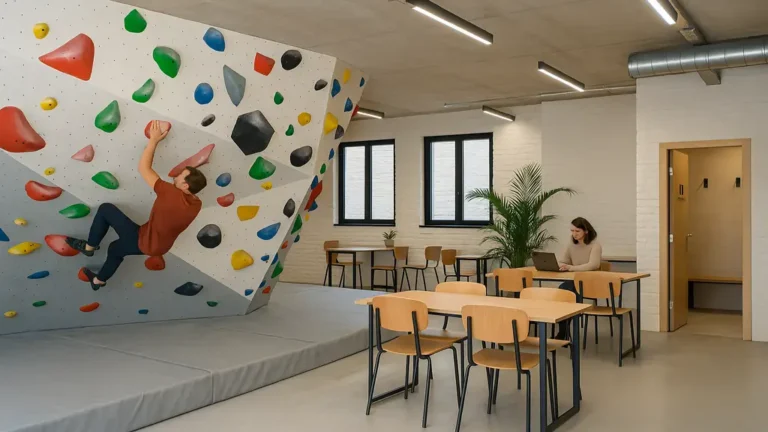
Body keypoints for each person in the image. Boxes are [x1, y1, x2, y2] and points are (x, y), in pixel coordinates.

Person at [66, 121, 207, 290]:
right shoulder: (196, 204)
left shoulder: (171, 194)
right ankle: (98, 281)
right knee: (115, 249)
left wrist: (153, 141)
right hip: (158, 245)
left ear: (185, 186)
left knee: (106, 209)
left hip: (144, 241)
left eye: (180, 177)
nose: (175, 177)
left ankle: (89, 247)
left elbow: (143, 168)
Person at [555, 216, 602, 338]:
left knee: (568, 291)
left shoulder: (595, 246)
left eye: (577, 231)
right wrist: (563, 265)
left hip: (590, 283)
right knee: (562, 291)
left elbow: (593, 264)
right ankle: (564, 330)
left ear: (586, 231)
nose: (574, 234)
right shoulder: (571, 246)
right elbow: (562, 261)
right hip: (575, 281)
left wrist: (571, 268)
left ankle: (563, 332)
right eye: (572, 231)